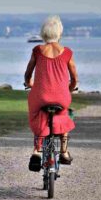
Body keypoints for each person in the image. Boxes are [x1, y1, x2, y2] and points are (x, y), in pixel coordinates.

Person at [24, 15, 78, 171]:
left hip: (40, 95)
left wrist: (30, 84)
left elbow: (28, 74)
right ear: (59, 33)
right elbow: (74, 77)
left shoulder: (37, 50)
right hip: (61, 97)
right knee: (64, 115)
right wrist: (70, 88)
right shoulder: (67, 52)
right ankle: (64, 151)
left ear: (43, 33)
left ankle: (37, 151)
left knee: (36, 114)